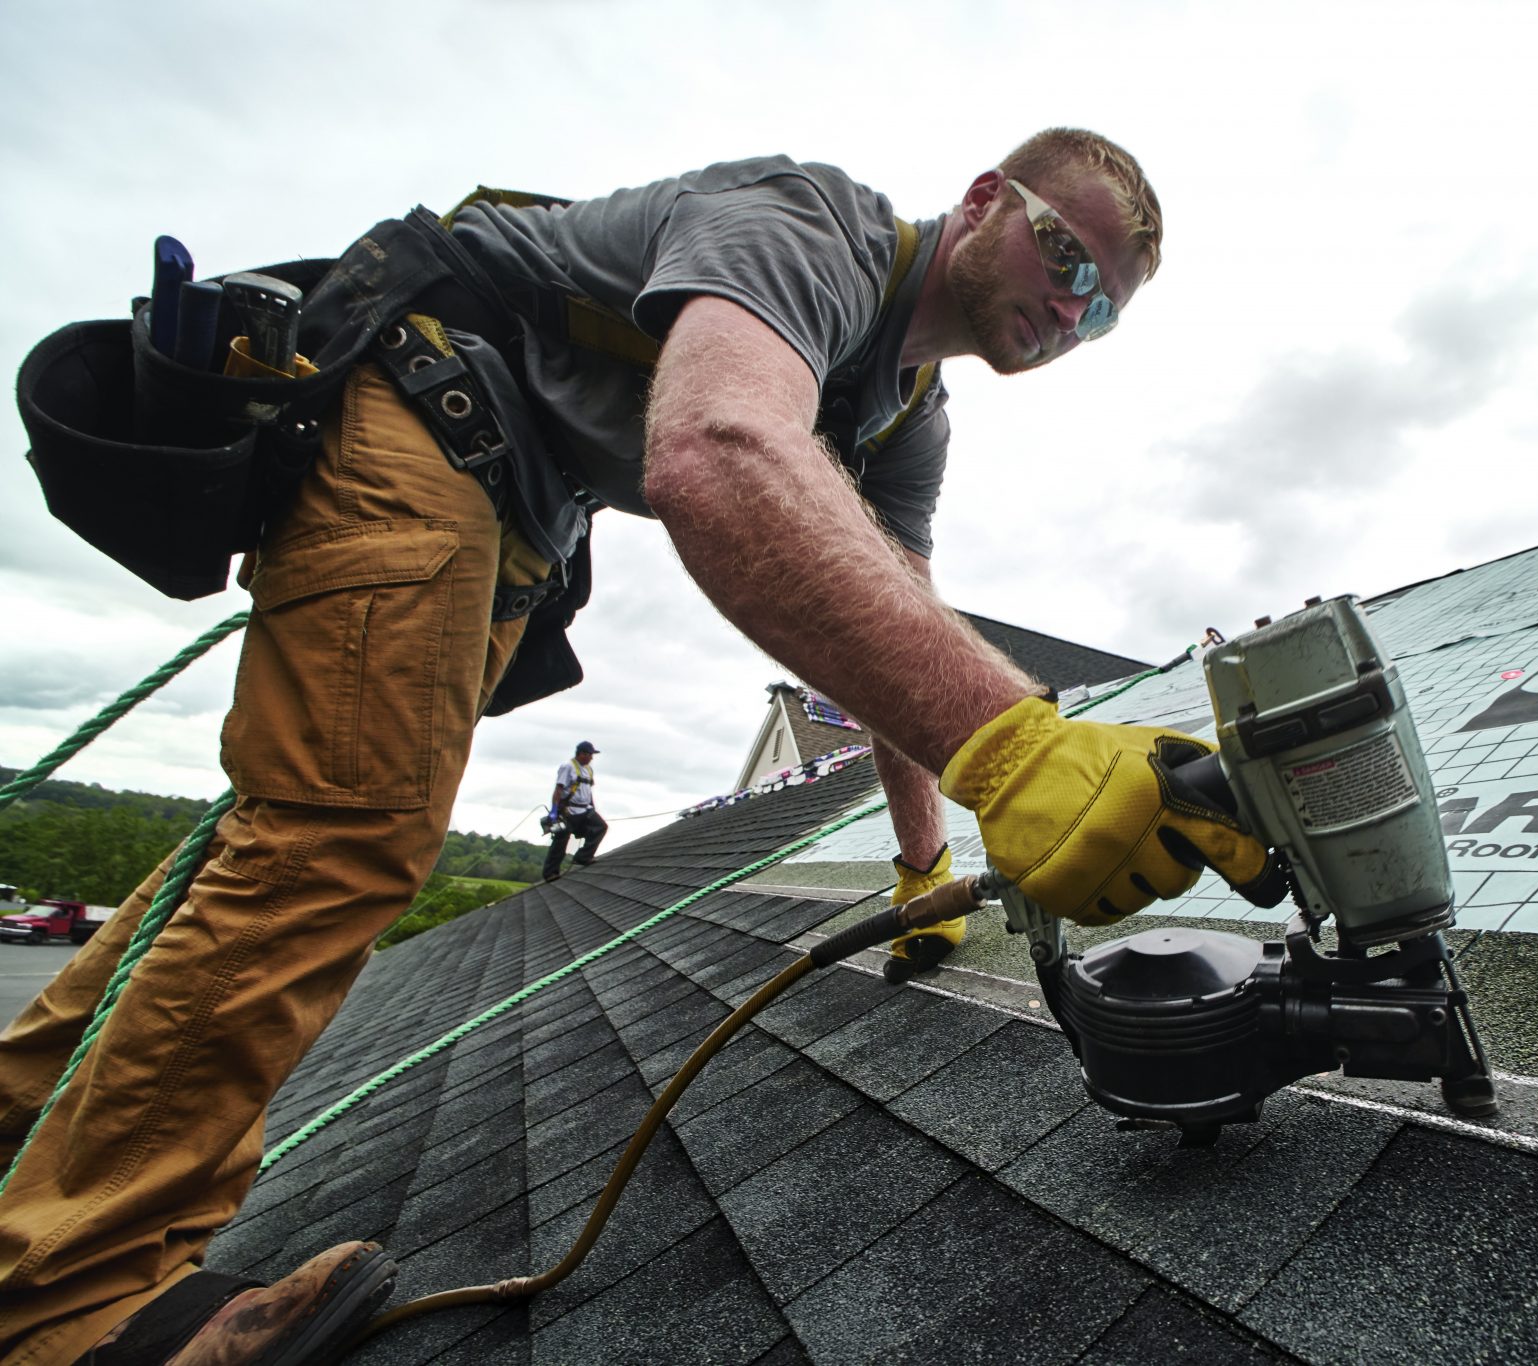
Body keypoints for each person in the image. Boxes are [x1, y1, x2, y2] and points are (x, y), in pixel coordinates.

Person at [0, 129, 1270, 1364]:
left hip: (511, 506)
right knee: (334, 837)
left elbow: (899, 635)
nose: (1072, 304)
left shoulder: (907, 423)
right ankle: (75, 1299)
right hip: (424, 409)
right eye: (1065, 255)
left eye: (1101, 306)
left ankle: (25, 1126)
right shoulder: (806, 221)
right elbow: (717, 450)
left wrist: (920, 868)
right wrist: (1017, 753)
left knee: (285, 834)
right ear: (986, 198)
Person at [541, 741, 607, 880]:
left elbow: (588, 790)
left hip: (585, 809)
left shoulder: (589, 769)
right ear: (582, 753)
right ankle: (551, 873)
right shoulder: (568, 767)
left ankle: (583, 857)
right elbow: (558, 790)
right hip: (568, 810)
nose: (591, 758)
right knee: (561, 839)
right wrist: (554, 811)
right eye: (589, 755)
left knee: (600, 827)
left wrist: (593, 807)